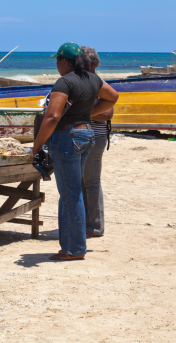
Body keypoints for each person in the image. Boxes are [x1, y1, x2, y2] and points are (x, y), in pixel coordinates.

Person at [30, 42, 119, 261]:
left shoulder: (64, 82)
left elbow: (52, 117)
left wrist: (36, 146)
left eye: (57, 61)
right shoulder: (92, 79)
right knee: (73, 192)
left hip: (67, 138)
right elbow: (113, 97)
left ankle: (74, 249)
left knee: (71, 194)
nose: (57, 66)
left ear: (63, 61)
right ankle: (72, 246)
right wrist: (88, 115)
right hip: (87, 135)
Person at [81, 46, 114, 238]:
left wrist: (81, 114)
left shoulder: (98, 83)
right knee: (83, 182)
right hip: (88, 135)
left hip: (95, 135)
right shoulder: (89, 82)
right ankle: (88, 222)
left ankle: (94, 226)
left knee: (91, 182)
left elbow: (108, 113)